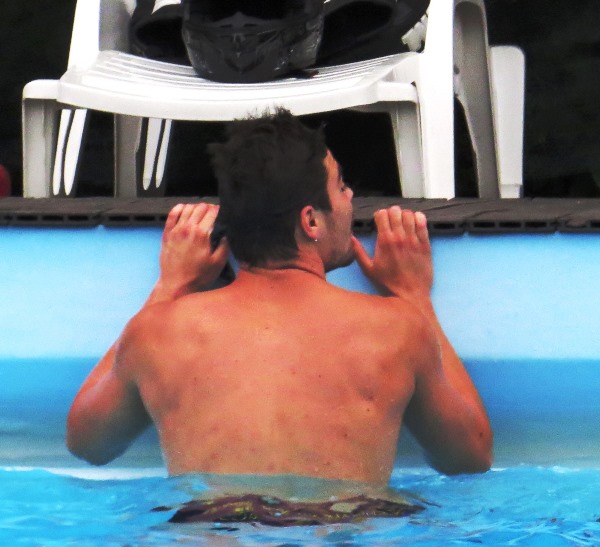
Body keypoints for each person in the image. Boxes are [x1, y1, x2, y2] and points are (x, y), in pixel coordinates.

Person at [66, 109, 492, 494]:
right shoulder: (395, 328)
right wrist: (415, 297)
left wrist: (169, 287)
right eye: (342, 186)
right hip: (344, 537)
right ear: (311, 221)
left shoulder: (159, 331)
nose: (350, 199)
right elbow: (469, 458)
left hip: (213, 538)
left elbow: (88, 445)